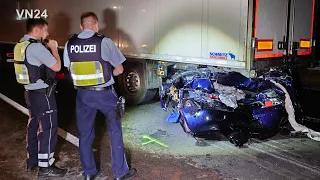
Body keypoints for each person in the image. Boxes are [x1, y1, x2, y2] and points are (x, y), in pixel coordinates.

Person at [63, 12, 137, 180]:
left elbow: (70, 70)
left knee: (85, 134)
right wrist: (105, 73)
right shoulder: (104, 42)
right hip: (104, 95)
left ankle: (89, 173)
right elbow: (119, 69)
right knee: (115, 130)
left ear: (81, 27)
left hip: (83, 96)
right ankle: (120, 173)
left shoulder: (70, 44)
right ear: (96, 25)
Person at [13, 18, 67, 177]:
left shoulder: (20, 45)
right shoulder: (36, 47)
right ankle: (46, 166)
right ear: (37, 30)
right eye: (45, 30)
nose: (47, 33)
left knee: (34, 126)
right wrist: (54, 49)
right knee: (49, 128)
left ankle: (33, 161)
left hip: (29, 93)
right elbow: (57, 67)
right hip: (42, 95)